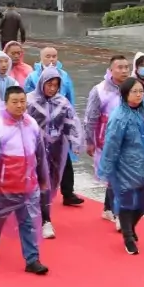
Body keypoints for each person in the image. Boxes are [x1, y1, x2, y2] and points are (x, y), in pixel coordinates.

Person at [0, 85, 51, 274]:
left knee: (29, 222)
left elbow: (40, 154)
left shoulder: (32, 124)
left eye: (23, 102)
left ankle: (32, 259)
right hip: (5, 186)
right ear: (6, 103)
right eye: (15, 102)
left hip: (29, 185)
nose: (20, 106)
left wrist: (43, 177)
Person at [97, 77, 144, 254]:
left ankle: (129, 226)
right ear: (125, 94)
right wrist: (107, 167)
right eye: (134, 91)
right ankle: (128, 237)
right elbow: (112, 144)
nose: (138, 95)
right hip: (125, 167)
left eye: (141, 91)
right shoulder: (119, 117)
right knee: (126, 201)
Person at [27, 67, 82, 239]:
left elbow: (71, 122)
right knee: (35, 183)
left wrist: (75, 142)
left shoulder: (62, 103)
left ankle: (43, 217)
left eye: (55, 85)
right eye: (49, 84)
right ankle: (40, 218)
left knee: (49, 183)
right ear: (42, 83)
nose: (52, 88)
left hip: (56, 149)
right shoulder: (29, 101)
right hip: (34, 150)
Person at [24, 47, 83, 206]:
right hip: (36, 140)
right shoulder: (31, 86)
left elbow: (71, 113)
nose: (52, 88)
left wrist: (75, 140)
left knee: (59, 168)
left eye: (54, 56)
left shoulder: (64, 85)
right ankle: (36, 208)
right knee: (36, 173)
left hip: (57, 137)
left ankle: (65, 194)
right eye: (48, 56)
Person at [85, 55, 130, 229]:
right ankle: (119, 215)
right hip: (106, 142)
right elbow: (91, 117)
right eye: (120, 67)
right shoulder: (99, 90)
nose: (124, 70)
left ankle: (108, 209)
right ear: (110, 70)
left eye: (126, 67)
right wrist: (89, 140)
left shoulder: (132, 88)